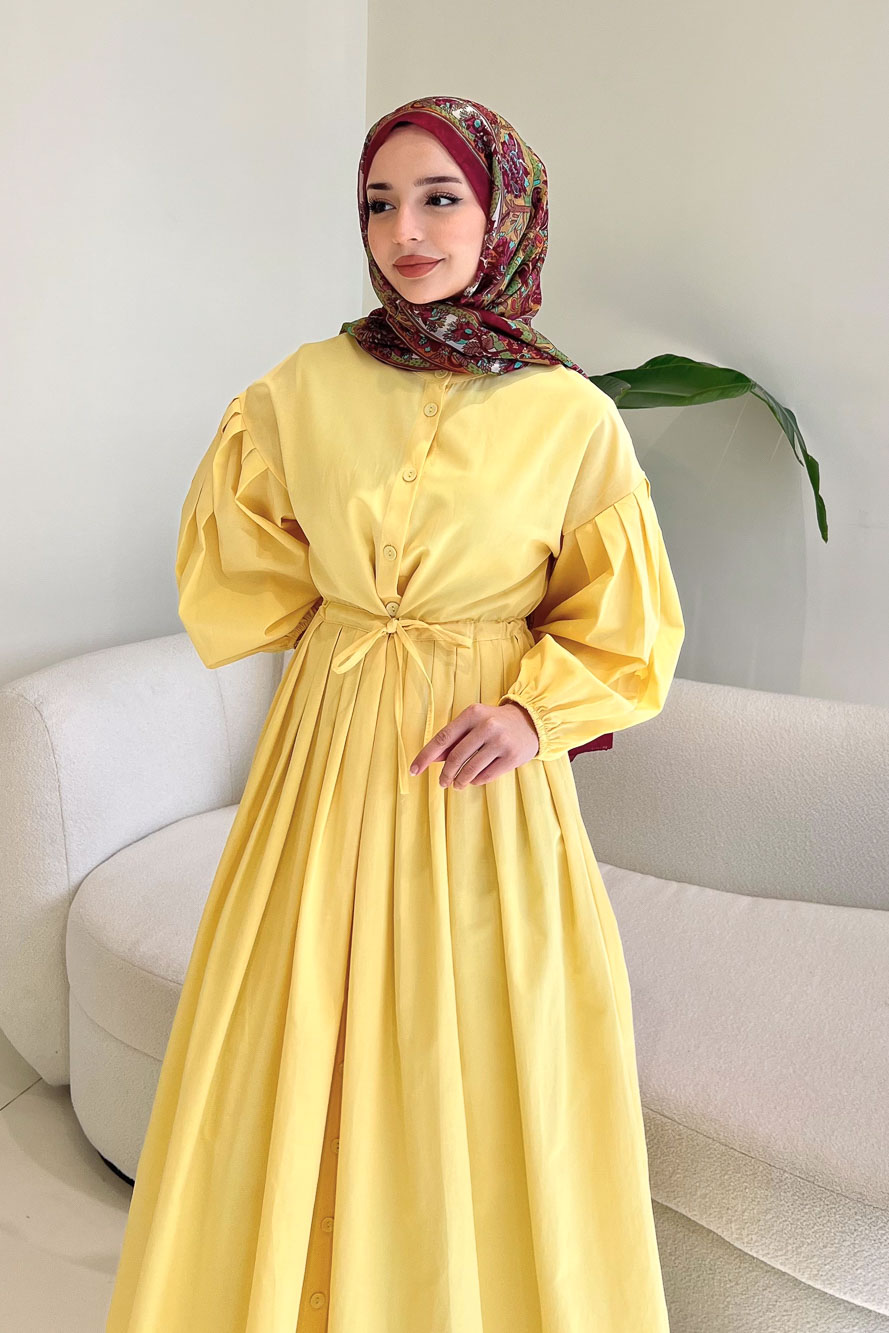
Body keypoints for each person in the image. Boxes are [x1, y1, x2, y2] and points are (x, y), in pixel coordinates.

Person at [105, 93, 685, 1333]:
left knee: (471, 1037)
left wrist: (533, 712)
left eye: (439, 199)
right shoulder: (302, 385)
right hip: (326, 748)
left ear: (503, 215)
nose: (405, 233)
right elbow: (246, 572)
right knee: (292, 1014)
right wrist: (341, 584)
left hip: (481, 770)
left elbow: (626, 627)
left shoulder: (571, 416)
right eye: (379, 203)